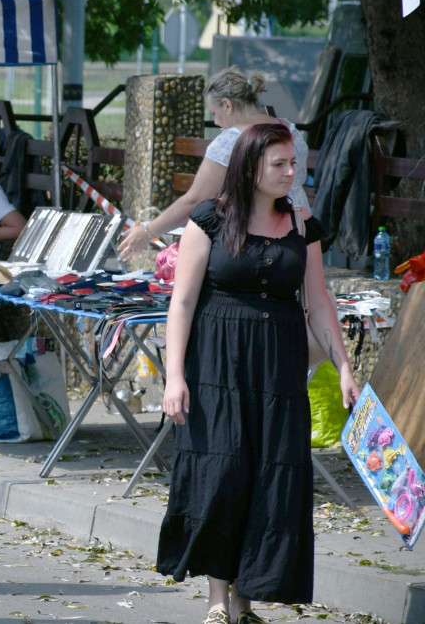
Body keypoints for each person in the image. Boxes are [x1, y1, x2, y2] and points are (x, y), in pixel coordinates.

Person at [155, 124, 358, 624]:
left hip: (278, 366)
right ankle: (217, 601)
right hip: (216, 363)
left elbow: (317, 302)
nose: (292, 173)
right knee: (221, 474)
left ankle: (246, 600)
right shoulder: (209, 220)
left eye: (294, 164)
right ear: (251, 167)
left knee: (268, 476)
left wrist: (345, 365)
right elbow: (181, 302)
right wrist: (174, 377)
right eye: (280, 165)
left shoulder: (303, 226)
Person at [118, 66, 311, 260]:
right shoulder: (290, 130)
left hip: (258, 236)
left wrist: (147, 232)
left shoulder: (230, 140)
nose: (216, 122)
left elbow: (195, 200)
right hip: (300, 225)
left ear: (227, 105)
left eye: (214, 113)